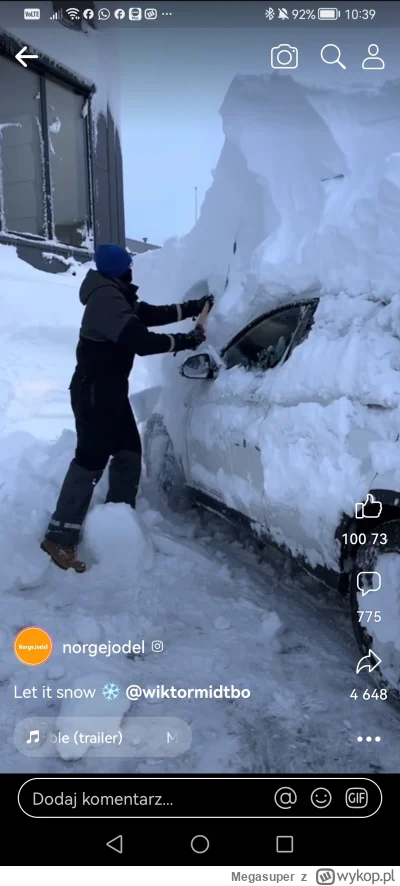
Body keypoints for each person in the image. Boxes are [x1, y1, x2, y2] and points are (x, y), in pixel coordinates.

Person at [41, 243, 213, 573]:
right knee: (90, 460)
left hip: (111, 392)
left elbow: (148, 313)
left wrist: (192, 308)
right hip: (94, 393)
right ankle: (59, 535)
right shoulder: (105, 300)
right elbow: (141, 340)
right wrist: (184, 341)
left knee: (128, 452)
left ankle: (117, 522)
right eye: (128, 266)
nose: (131, 270)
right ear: (120, 270)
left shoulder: (114, 292)